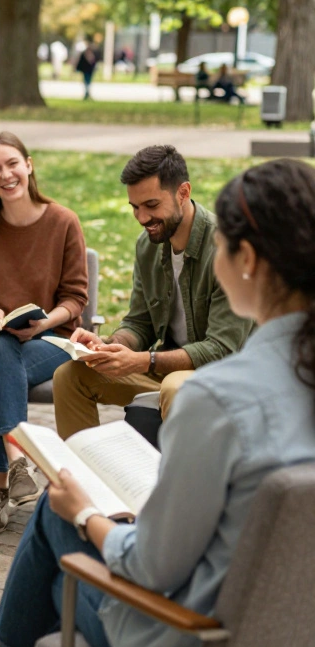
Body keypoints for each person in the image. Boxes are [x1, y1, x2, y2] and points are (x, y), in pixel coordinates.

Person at [0, 158, 315, 647]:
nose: (142, 217)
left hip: (191, 639)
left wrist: (86, 514)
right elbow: (140, 320)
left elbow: (151, 566)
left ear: (245, 258)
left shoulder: (217, 402)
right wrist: (115, 344)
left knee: (58, 517)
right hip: (290, 638)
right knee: (72, 382)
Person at [53, 145, 253, 437]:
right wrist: (108, 346)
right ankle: (82, 467)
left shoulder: (226, 248)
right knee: (70, 376)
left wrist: (144, 360)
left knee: (175, 387)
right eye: (135, 207)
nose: (142, 217)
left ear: (183, 193)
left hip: (226, 375)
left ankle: (180, 469)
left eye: (151, 205)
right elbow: (140, 322)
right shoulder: (147, 245)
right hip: (168, 369)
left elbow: (221, 349)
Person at [0, 132, 89, 535]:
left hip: (50, 339)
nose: (6, 175)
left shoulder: (63, 222)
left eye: (12, 163)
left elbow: (75, 297)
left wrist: (44, 323)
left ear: (29, 165)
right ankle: (19, 461)